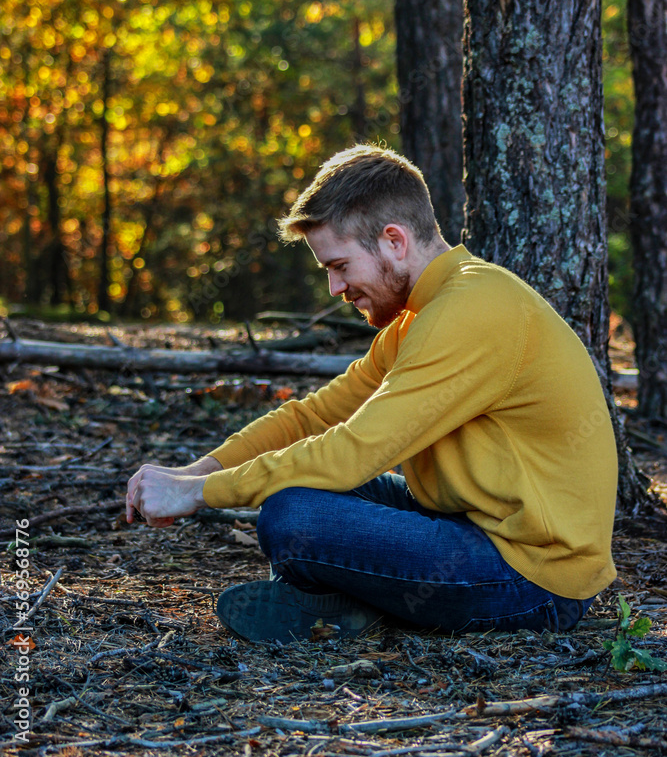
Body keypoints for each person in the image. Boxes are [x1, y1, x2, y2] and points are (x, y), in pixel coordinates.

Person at [126, 144, 618, 643]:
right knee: (297, 492)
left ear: (394, 241)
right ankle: (349, 604)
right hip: (468, 525)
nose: (336, 289)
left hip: (533, 577)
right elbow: (313, 417)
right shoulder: (421, 318)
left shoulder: (474, 310)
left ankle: (348, 602)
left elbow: (353, 452)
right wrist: (200, 470)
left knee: (294, 516)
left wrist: (198, 496)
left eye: (340, 266)